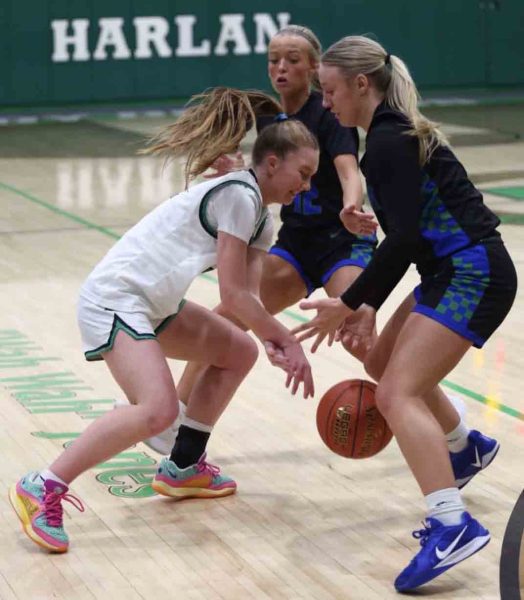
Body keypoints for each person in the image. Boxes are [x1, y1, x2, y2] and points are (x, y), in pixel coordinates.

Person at [8, 87, 319, 553]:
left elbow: (245, 300)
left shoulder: (261, 217)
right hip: (116, 298)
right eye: (304, 173)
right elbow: (232, 292)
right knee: (157, 410)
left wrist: (274, 340)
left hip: (153, 303)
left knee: (239, 350)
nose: (307, 185)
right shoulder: (238, 195)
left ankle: (184, 466)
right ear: (272, 163)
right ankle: (43, 485)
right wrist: (289, 342)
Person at [292, 36, 517, 592]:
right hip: (448, 269)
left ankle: (452, 525)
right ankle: (466, 446)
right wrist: (368, 302)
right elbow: (409, 238)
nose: (326, 103)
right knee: (382, 361)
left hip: (473, 272)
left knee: (396, 394)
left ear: (361, 84)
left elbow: (407, 240)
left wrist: (349, 301)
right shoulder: (387, 138)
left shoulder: (389, 142)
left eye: (331, 90)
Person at [143, 24, 378, 454]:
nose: (281, 67)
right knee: (225, 321)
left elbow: (348, 168)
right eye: (274, 59)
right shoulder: (270, 119)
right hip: (297, 245)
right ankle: (171, 420)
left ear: (313, 65)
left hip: (342, 240)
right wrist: (232, 167)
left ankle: (448, 426)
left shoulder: (328, 115)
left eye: (292, 59)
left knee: (356, 333)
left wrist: (352, 205)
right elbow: (260, 182)